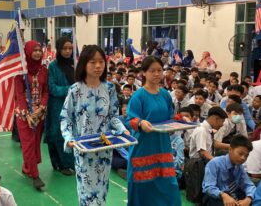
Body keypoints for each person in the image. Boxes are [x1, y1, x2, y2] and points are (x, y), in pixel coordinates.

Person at [60, 45, 128, 206]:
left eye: (101, 62)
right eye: (92, 62)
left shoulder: (110, 88)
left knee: (102, 191)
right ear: (84, 64)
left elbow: (113, 117)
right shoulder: (75, 90)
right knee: (86, 193)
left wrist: (122, 130)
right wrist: (69, 138)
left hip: (104, 148)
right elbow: (65, 118)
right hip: (83, 149)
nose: (98, 66)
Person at [125, 56, 181, 206]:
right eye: (152, 71)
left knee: (169, 186)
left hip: (162, 146)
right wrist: (141, 122)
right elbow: (129, 119)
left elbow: (170, 117)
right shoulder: (138, 96)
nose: (157, 74)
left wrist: (181, 120)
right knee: (142, 187)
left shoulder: (165, 95)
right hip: (143, 147)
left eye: (159, 70)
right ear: (143, 73)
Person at [14, 41, 48, 190]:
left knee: (34, 143)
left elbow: (46, 91)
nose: (37, 53)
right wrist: (27, 113)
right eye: (34, 50)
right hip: (24, 115)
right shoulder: (20, 71)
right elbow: (19, 94)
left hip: (39, 114)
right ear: (27, 52)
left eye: (39, 50)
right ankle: (35, 175)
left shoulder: (44, 70)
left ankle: (27, 167)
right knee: (27, 144)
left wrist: (41, 108)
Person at [45, 37, 75, 175]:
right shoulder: (53, 66)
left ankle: (71, 163)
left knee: (72, 133)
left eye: (70, 48)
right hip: (57, 106)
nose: (68, 51)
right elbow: (52, 88)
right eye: (64, 48)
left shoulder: (75, 65)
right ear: (59, 49)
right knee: (58, 134)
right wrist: (71, 89)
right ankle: (60, 164)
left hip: (73, 106)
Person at [202, 135, 255, 206]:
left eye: (246, 155)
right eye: (240, 153)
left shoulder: (239, 166)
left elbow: (248, 185)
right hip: (217, 197)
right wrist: (223, 195)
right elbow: (208, 187)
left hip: (234, 195)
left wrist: (248, 198)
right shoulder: (214, 163)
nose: (243, 158)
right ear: (230, 149)